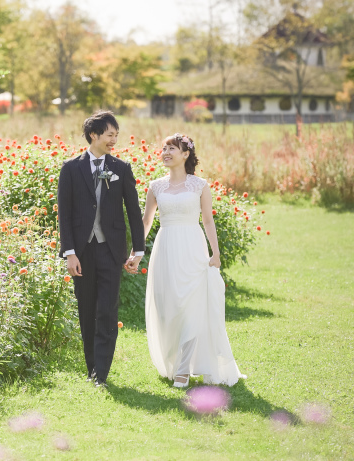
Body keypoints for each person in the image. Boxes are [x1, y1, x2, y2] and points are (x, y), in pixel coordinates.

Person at [129, 133, 244, 387]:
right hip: (166, 248)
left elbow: (208, 220)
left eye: (172, 148)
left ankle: (183, 369)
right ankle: (172, 362)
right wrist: (136, 254)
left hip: (192, 247)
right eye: (164, 148)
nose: (166, 152)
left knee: (191, 306)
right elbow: (146, 222)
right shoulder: (156, 186)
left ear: (185, 154)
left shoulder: (199, 185)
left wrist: (216, 253)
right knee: (168, 308)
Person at [57, 110, 145, 388]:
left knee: (107, 310)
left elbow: (134, 212)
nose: (114, 140)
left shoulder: (121, 169)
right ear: (94, 135)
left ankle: (101, 375)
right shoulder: (71, 168)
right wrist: (69, 253)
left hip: (110, 250)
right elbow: (65, 215)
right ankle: (91, 367)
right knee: (86, 310)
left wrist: (138, 250)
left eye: (116, 135)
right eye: (110, 135)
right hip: (81, 253)